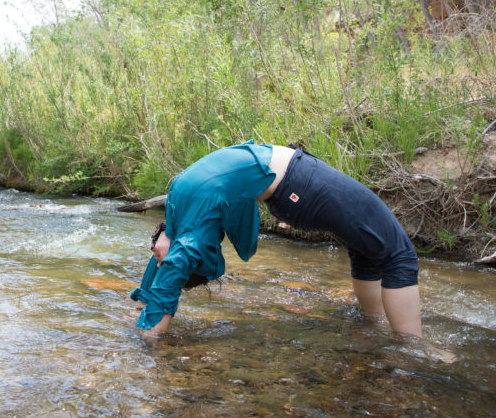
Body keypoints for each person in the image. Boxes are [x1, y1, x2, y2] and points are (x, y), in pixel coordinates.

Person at [130, 142, 422, 337]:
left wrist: (142, 304)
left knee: (366, 250)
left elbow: (161, 266)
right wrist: (151, 338)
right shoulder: (186, 241)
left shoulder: (177, 217)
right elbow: (173, 269)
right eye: (161, 258)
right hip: (298, 184)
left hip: (291, 184)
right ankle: (413, 352)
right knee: (399, 255)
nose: (155, 251)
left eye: (157, 251)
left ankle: (375, 329)